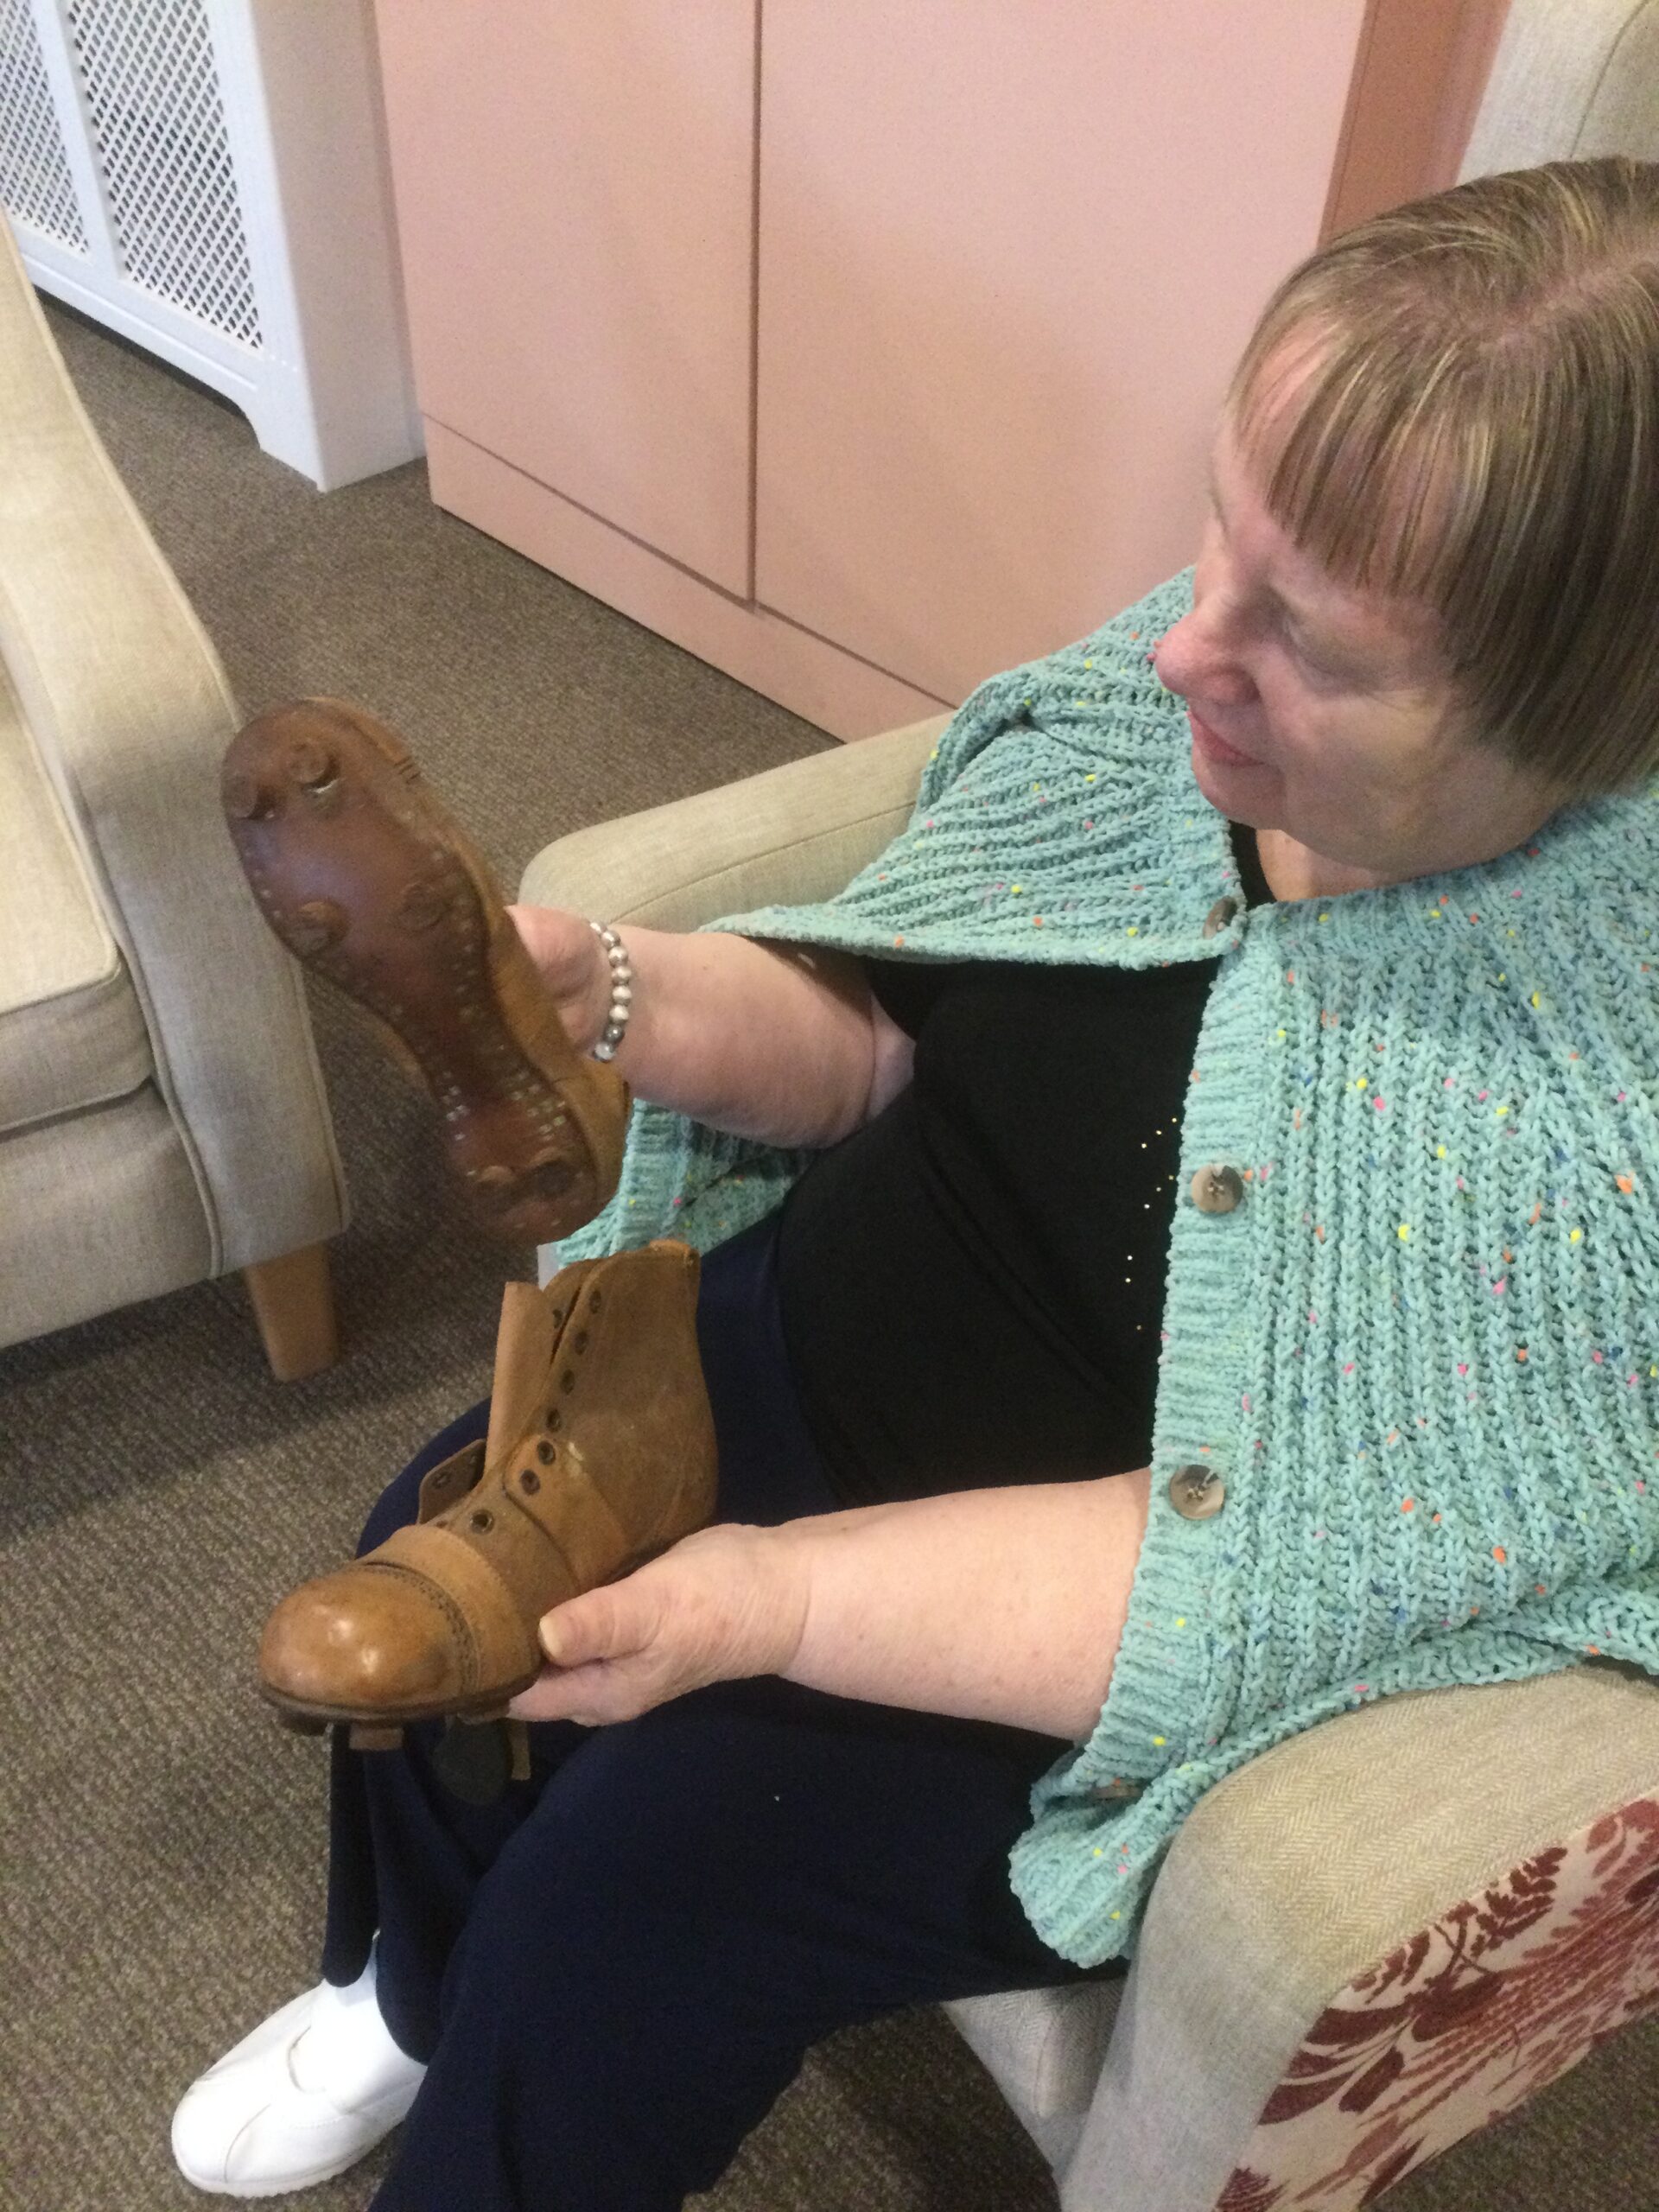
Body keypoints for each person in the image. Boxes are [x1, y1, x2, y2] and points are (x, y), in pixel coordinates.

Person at [172, 157, 1659, 2209]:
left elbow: (1267, 1558)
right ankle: (411, 1992)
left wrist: (770, 1599)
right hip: (795, 1337)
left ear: (1582, 712)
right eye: (1214, 537)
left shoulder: (1602, 1099)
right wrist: (608, 987)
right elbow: (888, 1046)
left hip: (1054, 1649)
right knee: (423, 1539)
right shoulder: (1192, 698)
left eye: (1302, 637)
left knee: (623, 1903)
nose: (1177, 652)